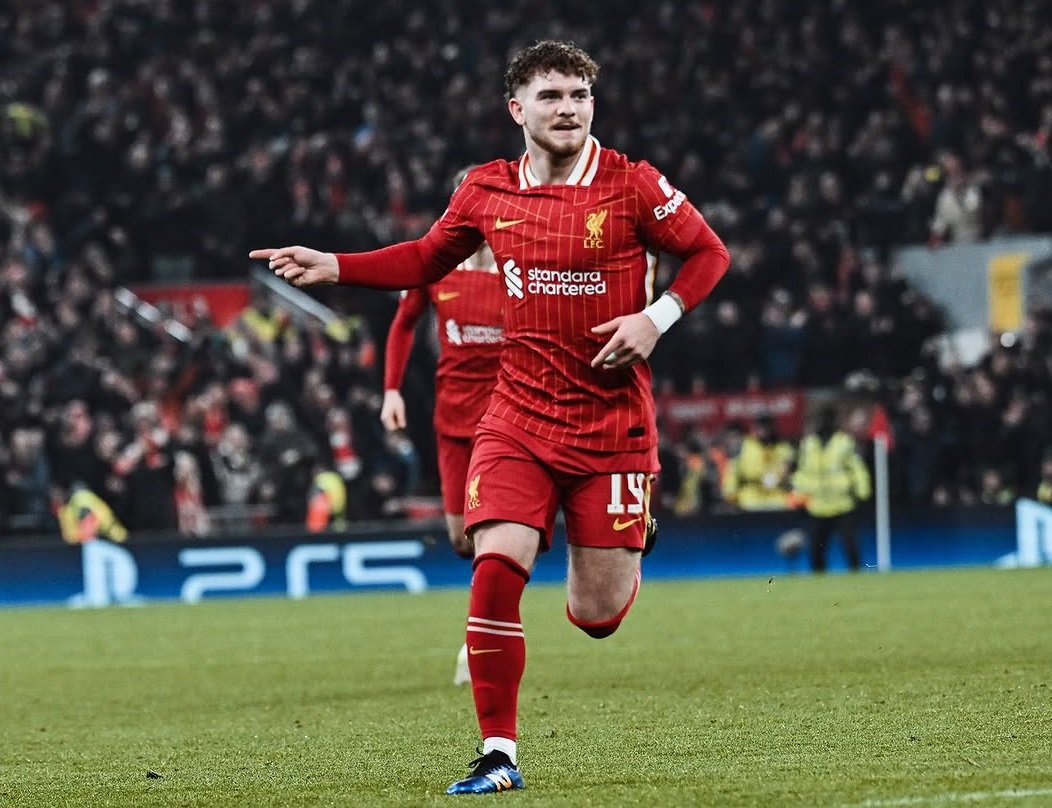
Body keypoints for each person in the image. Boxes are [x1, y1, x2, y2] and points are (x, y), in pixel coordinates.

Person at [251, 39, 730, 795]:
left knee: (595, 615)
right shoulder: (485, 190)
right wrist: (336, 265)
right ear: (517, 109)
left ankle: (630, 539)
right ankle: (498, 754)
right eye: (551, 96)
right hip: (517, 417)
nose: (568, 108)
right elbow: (423, 259)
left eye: (579, 95)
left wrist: (656, 318)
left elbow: (709, 254)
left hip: (612, 425)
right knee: (495, 565)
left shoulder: (633, 184)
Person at [380, 189, 504, 686]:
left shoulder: (523, 268)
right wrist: (391, 390)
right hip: (452, 417)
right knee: (461, 538)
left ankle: (481, 639)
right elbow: (403, 324)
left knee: (491, 531)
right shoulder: (437, 266)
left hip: (508, 417)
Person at [791, 406, 872, 572]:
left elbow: (856, 468)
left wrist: (863, 492)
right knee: (816, 550)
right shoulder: (809, 444)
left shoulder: (844, 442)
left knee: (850, 545)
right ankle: (819, 581)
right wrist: (798, 496)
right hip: (817, 504)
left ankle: (857, 578)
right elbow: (803, 472)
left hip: (842, 503)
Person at [721, 415, 795, 511]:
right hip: (750, 497)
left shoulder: (783, 447)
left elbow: (788, 468)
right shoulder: (744, 445)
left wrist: (780, 475)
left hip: (777, 496)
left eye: (766, 427)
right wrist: (730, 494)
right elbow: (733, 470)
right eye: (760, 427)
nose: (763, 431)